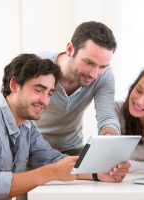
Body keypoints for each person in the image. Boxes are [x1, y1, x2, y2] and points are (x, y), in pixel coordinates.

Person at [0, 54, 130, 200]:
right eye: (38, 90)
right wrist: (51, 172)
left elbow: (55, 161)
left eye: (49, 93)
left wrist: (99, 173)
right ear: (14, 85)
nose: (45, 101)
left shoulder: (27, 128)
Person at [36, 21, 120, 155]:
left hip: (71, 149)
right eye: (89, 63)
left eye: (103, 66)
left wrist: (108, 140)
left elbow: (108, 117)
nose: (94, 74)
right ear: (70, 49)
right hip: (33, 148)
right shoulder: (37, 65)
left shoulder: (104, 76)